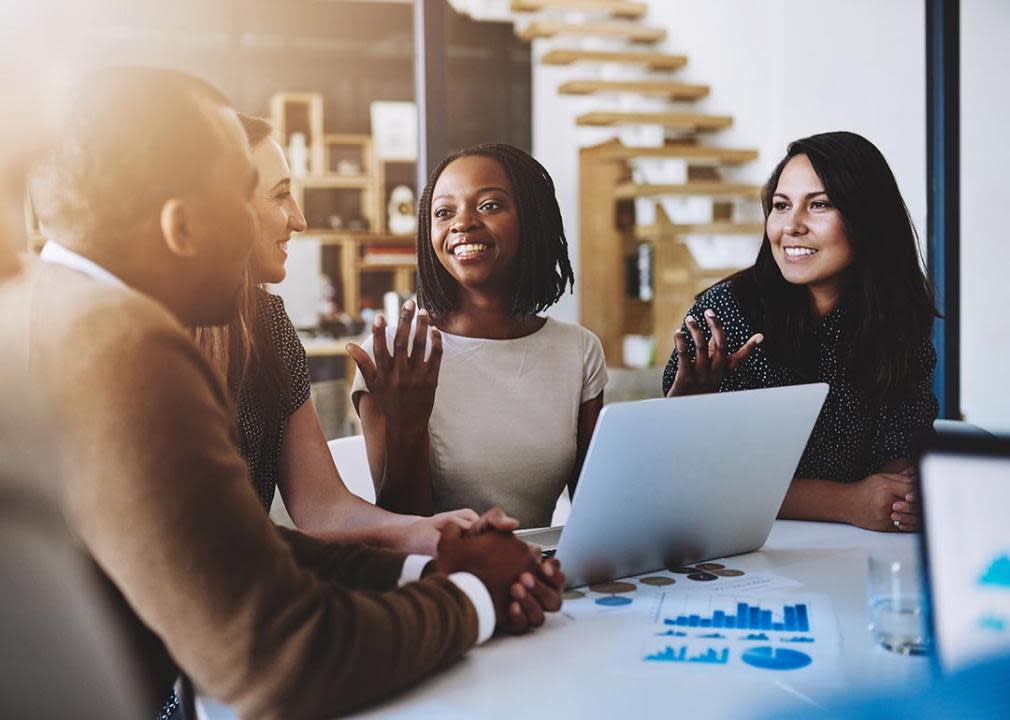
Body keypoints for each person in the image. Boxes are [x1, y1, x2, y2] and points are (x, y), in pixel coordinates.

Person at [10, 67, 563, 720]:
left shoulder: (48, 307)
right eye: (246, 194)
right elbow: (284, 657)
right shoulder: (123, 341)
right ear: (181, 228)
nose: (278, 222)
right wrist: (475, 600)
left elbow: (231, 544)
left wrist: (424, 567)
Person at [193, 113, 477, 555]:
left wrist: (423, 531)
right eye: (281, 196)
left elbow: (323, 507)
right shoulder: (148, 339)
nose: (300, 220)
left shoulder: (269, 324)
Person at [661, 131, 938, 533]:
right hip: (739, 547)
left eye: (819, 205)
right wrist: (848, 502)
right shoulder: (725, 314)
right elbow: (697, 476)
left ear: (867, 218)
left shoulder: (898, 322)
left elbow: (899, 452)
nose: (791, 226)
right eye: (781, 205)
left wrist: (899, 498)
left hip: (854, 551)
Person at [348, 143, 608, 528]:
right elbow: (401, 529)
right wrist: (409, 423)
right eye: (444, 212)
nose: (462, 223)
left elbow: (597, 515)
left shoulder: (578, 351)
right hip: (438, 578)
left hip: (538, 574)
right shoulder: (395, 354)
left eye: (489, 205)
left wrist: (682, 405)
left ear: (531, 218)